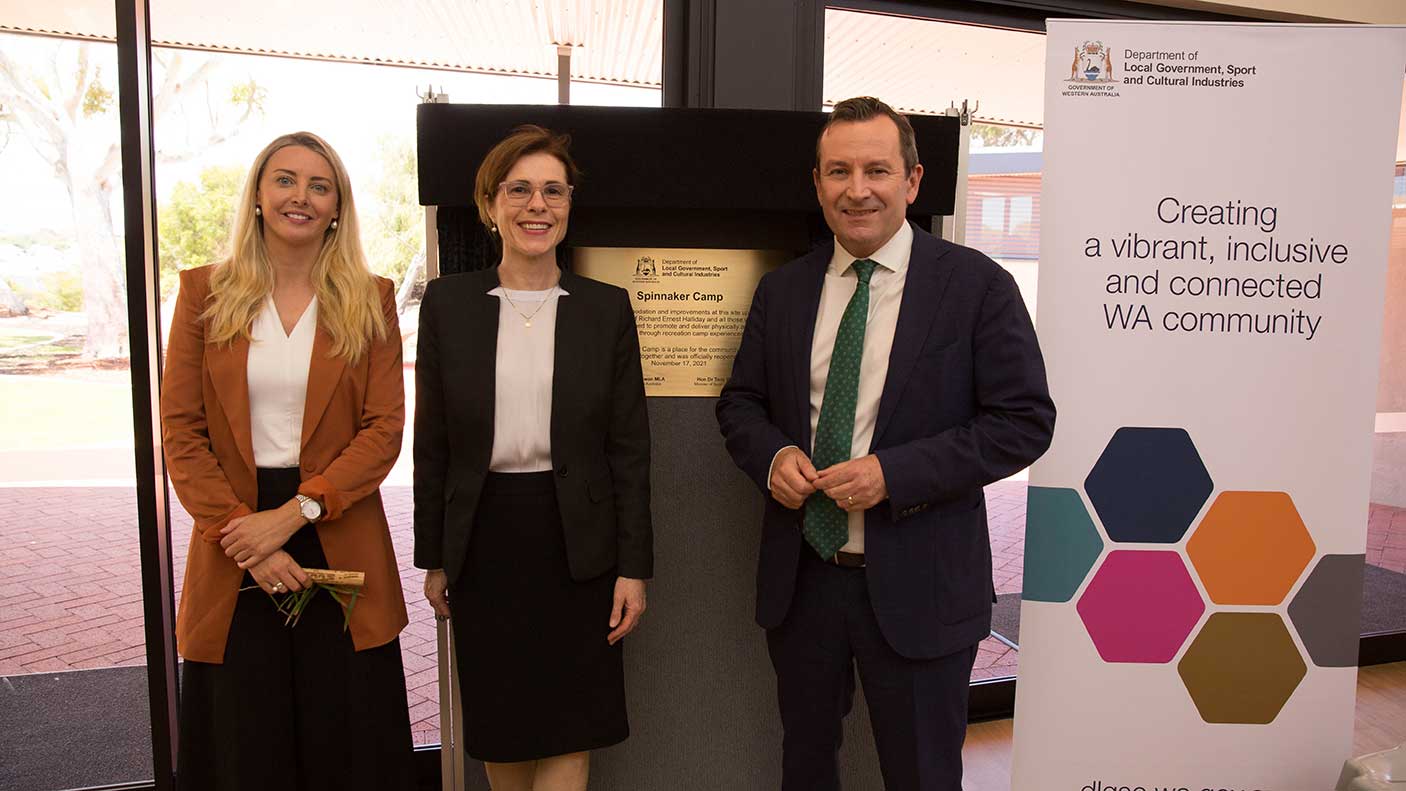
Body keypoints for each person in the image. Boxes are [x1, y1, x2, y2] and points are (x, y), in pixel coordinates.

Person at [716, 97, 1055, 791]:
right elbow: (741, 402)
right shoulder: (783, 291)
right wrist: (774, 455)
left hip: (923, 585)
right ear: (817, 183)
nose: (857, 188)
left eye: (876, 169)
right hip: (805, 580)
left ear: (913, 181)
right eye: (838, 171)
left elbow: (1024, 420)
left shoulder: (977, 287)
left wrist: (894, 473)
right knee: (805, 766)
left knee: (923, 775)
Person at [161, 131, 414, 791]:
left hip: (338, 522)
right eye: (285, 179)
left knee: (349, 740)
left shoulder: (371, 297)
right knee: (247, 742)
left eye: (318, 185)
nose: (300, 196)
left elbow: (384, 429)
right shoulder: (202, 296)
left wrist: (294, 514)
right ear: (257, 196)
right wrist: (251, 537)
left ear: (337, 207)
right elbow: (181, 433)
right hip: (233, 534)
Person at [413, 124, 652, 791]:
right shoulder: (448, 306)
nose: (536, 205)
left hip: (580, 544)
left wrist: (634, 568)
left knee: (573, 724)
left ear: (570, 204)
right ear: (490, 205)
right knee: (502, 723)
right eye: (518, 189)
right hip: (484, 540)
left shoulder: (605, 310)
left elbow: (630, 449)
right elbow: (432, 445)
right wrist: (433, 555)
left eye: (552, 190)